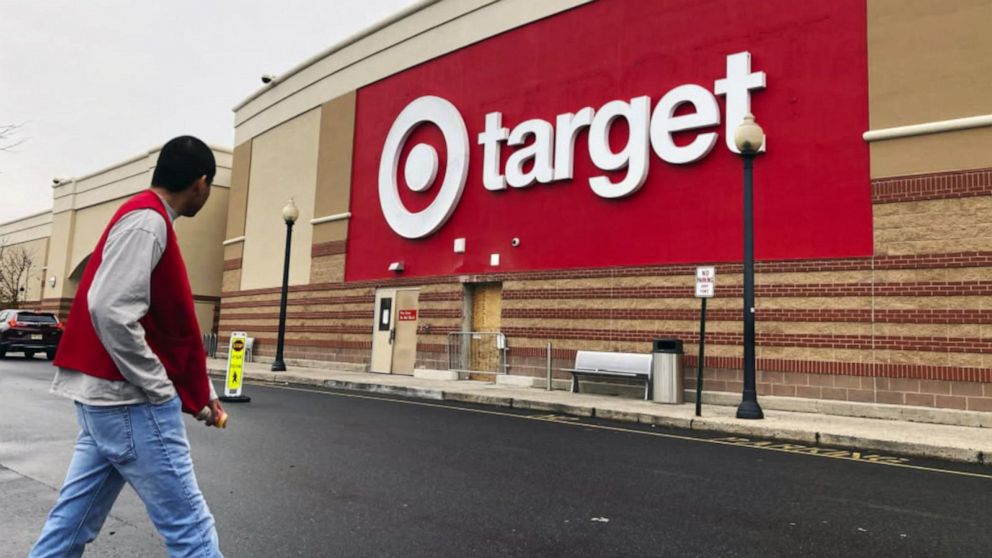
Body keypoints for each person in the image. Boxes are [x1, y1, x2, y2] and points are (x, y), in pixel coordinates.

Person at [30, 136, 225, 557]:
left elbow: (156, 327)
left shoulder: (140, 216)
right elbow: (111, 309)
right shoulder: (148, 223)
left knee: (70, 527)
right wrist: (159, 389)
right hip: (130, 403)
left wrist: (202, 393)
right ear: (201, 183)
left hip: (105, 405)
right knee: (192, 530)